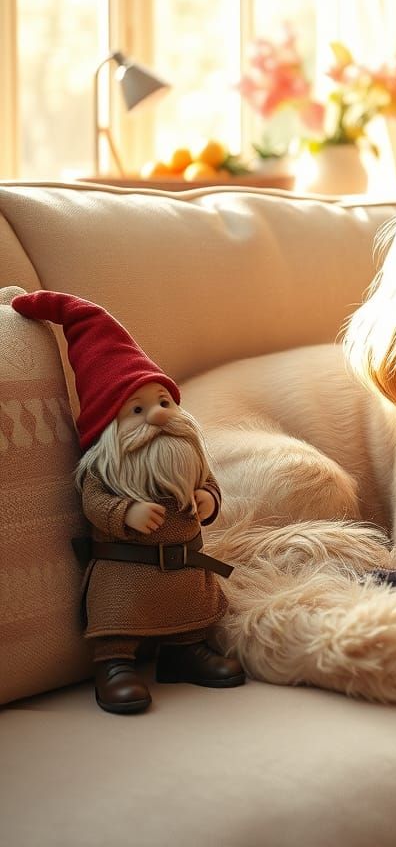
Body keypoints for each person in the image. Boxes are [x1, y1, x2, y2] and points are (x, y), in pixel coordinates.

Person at [12, 291, 244, 714]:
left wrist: (206, 500)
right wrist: (126, 513)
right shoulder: (108, 470)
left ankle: (184, 652)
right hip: (125, 573)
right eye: (138, 409)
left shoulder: (186, 454)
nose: (158, 415)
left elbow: (210, 486)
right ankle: (115, 665)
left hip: (185, 572)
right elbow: (94, 503)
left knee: (190, 613)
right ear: (111, 428)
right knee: (117, 619)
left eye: (164, 402)